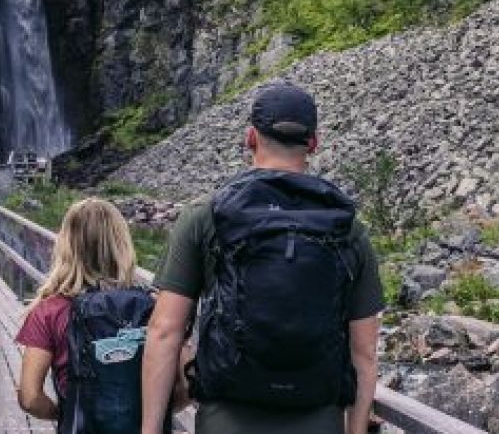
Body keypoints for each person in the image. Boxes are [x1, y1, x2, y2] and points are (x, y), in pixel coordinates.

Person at [140, 81, 385, 434]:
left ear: (250, 138)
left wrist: (150, 430)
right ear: (313, 143)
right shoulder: (347, 228)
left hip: (226, 417)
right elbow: (364, 354)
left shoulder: (206, 216)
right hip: (317, 417)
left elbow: (165, 332)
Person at [15, 199, 172, 433]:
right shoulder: (152, 305)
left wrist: (67, 414)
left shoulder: (49, 311)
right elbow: (185, 387)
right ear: (122, 244)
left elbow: (30, 397)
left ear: (66, 245)